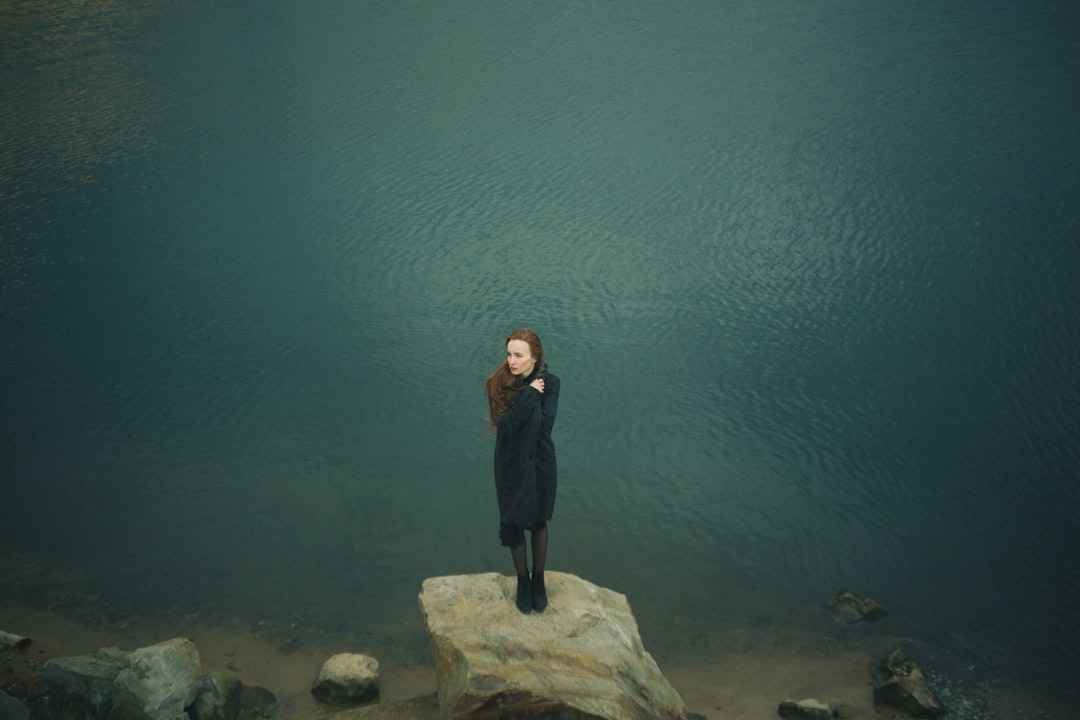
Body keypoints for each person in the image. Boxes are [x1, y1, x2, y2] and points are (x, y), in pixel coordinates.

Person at [485, 328, 560, 613]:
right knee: (514, 522)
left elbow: (544, 426)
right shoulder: (499, 384)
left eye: (519, 355)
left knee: (539, 521)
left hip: (540, 461)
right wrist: (529, 395)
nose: (511, 361)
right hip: (510, 463)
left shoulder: (551, 384)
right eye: (509, 354)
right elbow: (506, 426)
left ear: (534, 358)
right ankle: (522, 581)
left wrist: (534, 394)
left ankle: (538, 580)